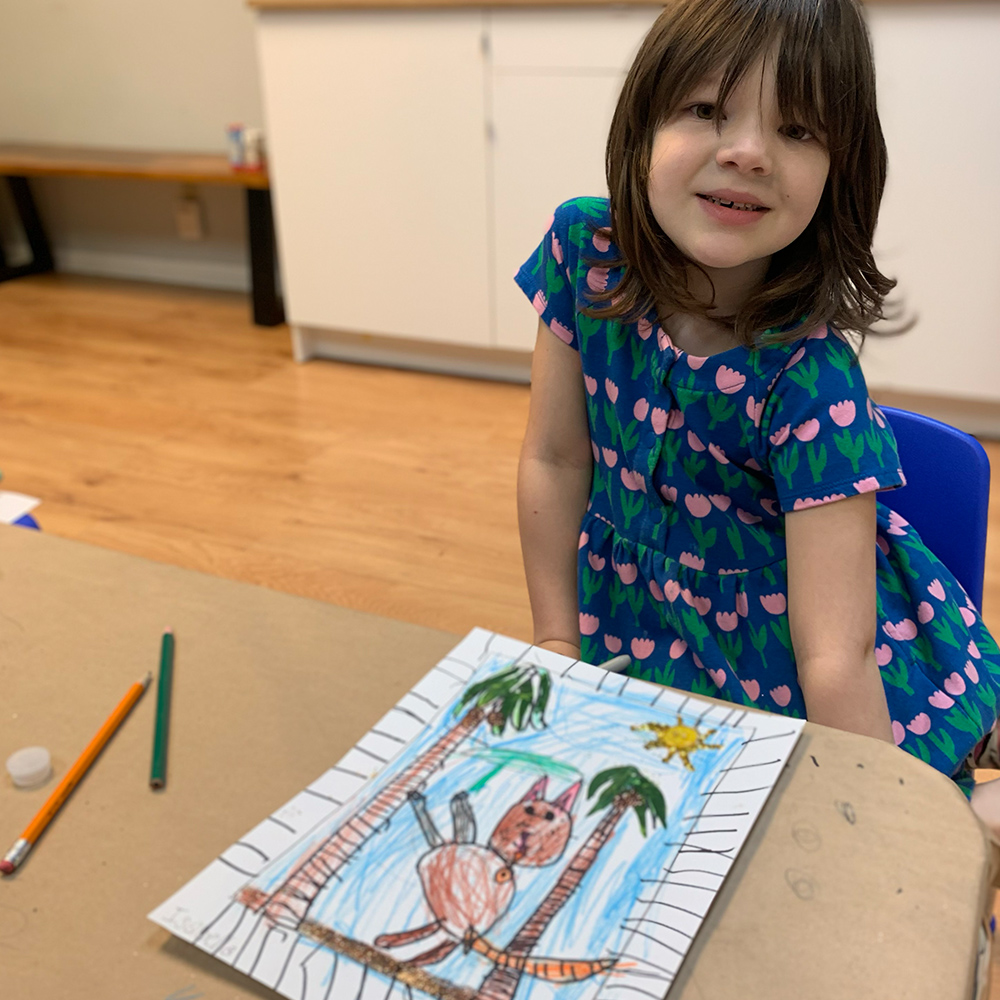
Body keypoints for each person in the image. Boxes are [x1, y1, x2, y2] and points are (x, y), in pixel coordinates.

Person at [514, 0, 1000, 826]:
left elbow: (835, 655)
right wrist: (558, 645)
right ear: (641, 129)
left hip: (810, 659)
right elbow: (554, 461)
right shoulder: (583, 252)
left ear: (841, 173)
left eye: (798, 129)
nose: (746, 152)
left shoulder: (812, 380)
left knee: (925, 822)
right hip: (646, 638)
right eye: (707, 109)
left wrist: (875, 823)